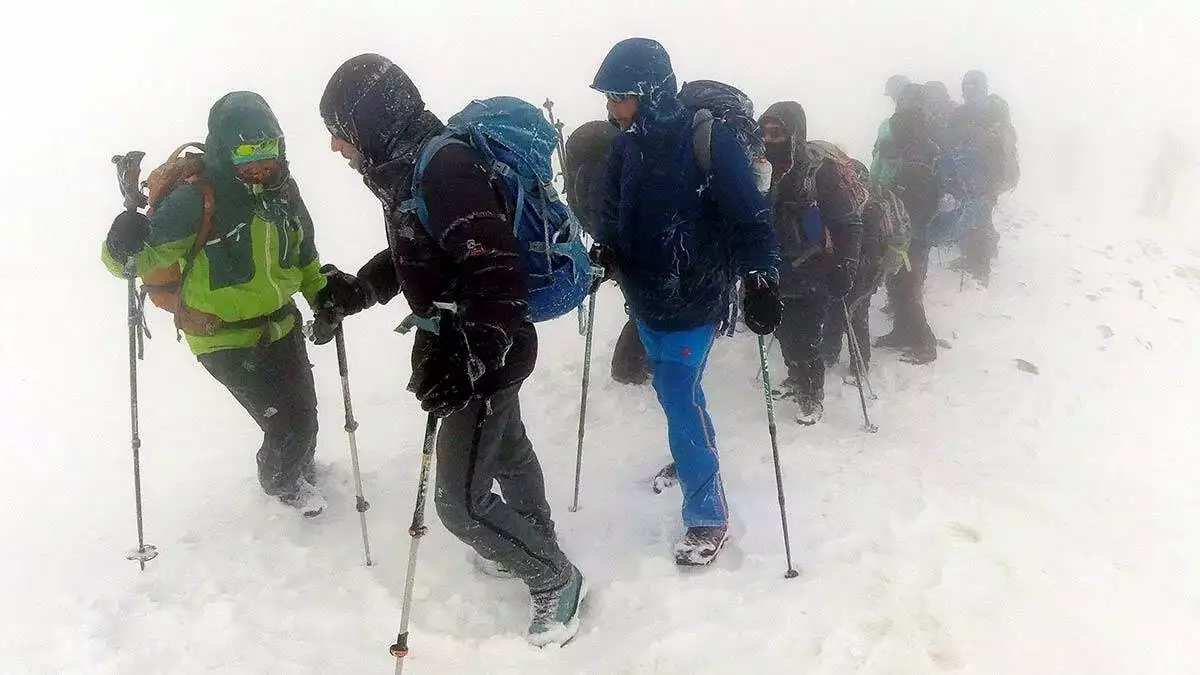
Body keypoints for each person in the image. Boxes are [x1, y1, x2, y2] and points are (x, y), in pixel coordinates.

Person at [314, 53, 584, 646]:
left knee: (459, 503)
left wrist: (470, 358)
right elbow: (422, 249)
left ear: (368, 121)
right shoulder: (409, 168)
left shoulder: (444, 170)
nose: (336, 146)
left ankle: (553, 578)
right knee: (506, 447)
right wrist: (360, 290)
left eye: (339, 130)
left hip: (482, 351)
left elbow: (497, 272)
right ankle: (532, 539)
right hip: (476, 347)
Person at [590, 38, 781, 565]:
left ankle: (707, 514)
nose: (611, 108)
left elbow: (750, 216)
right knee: (681, 395)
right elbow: (612, 212)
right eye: (608, 98)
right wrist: (605, 251)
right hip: (646, 297)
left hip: (695, 296)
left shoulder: (706, 140)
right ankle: (694, 452)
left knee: (677, 394)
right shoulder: (627, 146)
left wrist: (761, 279)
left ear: (649, 92)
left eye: (620, 96)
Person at [101, 91, 329, 516]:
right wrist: (120, 244)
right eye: (247, 151)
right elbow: (136, 260)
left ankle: (298, 466)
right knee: (284, 423)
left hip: (281, 324)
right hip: (221, 336)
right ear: (225, 153)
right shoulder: (196, 200)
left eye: (269, 148)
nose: (260, 161)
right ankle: (281, 484)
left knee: (305, 414)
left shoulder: (284, 192)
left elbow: (303, 252)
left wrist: (322, 297)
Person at [759, 102, 863, 423]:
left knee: (806, 336)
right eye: (763, 131)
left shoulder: (820, 173)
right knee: (782, 330)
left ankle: (811, 395)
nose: (768, 138)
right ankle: (796, 375)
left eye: (776, 132)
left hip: (813, 267)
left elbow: (848, 223)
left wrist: (846, 264)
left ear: (795, 132)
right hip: (773, 269)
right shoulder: (758, 169)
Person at [564, 120, 652, 385]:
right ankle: (628, 368)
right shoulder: (606, 171)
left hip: (609, 246)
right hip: (628, 246)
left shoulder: (582, 172)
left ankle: (632, 365)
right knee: (644, 309)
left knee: (640, 306)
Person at [875, 84, 942, 364]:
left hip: (912, 230)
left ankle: (925, 343)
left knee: (908, 286)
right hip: (902, 227)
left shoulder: (918, 155)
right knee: (898, 282)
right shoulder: (915, 148)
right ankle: (902, 333)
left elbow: (922, 197)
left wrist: (908, 229)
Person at [949, 70, 1018, 284]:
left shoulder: (990, 113)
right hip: (978, 172)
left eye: (972, 87)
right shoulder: (984, 112)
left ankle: (980, 267)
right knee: (975, 215)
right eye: (966, 87)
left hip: (985, 174)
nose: (968, 91)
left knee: (979, 218)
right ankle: (975, 258)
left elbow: (994, 145)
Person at [822, 159, 885, 375]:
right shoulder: (869, 201)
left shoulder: (868, 206)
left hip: (860, 267)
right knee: (851, 313)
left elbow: (869, 242)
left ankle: (850, 360)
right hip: (860, 266)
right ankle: (854, 362)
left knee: (849, 312)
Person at [870, 74, 912, 189]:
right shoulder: (889, 124)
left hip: (899, 184)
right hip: (889, 184)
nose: (895, 101)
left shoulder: (891, 125)